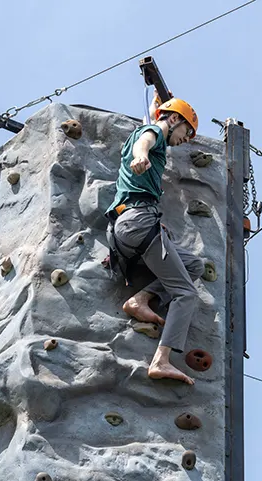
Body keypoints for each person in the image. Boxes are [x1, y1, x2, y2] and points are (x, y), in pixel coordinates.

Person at [105, 95, 205, 385]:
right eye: (186, 133)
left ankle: (142, 299)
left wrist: (155, 107)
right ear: (174, 120)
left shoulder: (154, 129)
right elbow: (146, 139)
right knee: (186, 293)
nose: (185, 141)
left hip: (130, 227)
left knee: (194, 265)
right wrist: (142, 155)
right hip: (140, 223)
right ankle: (161, 361)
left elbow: (152, 126)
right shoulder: (152, 137)